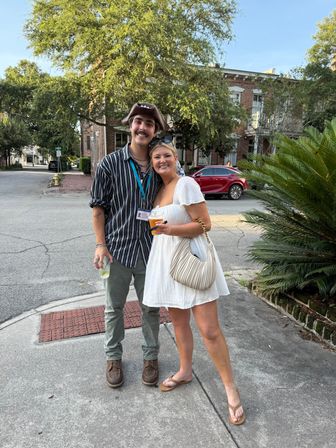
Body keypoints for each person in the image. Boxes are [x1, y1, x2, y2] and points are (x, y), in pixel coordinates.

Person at [142, 142, 245, 426]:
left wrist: (170, 229)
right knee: (179, 324)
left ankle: (230, 389)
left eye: (166, 155)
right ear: (152, 163)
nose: (161, 160)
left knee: (209, 330)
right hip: (168, 265)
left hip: (192, 260)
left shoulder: (185, 184)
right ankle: (185, 371)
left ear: (176, 159)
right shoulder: (159, 191)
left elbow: (205, 223)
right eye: (156, 157)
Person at [90, 102, 167, 389]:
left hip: (152, 251)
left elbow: (177, 194)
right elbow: (98, 209)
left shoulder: (162, 163)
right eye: (138, 121)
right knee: (114, 308)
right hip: (117, 250)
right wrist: (100, 245)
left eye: (149, 123)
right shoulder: (109, 164)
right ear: (129, 125)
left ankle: (151, 357)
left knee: (151, 308)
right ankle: (113, 357)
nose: (142, 127)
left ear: (154, 130)